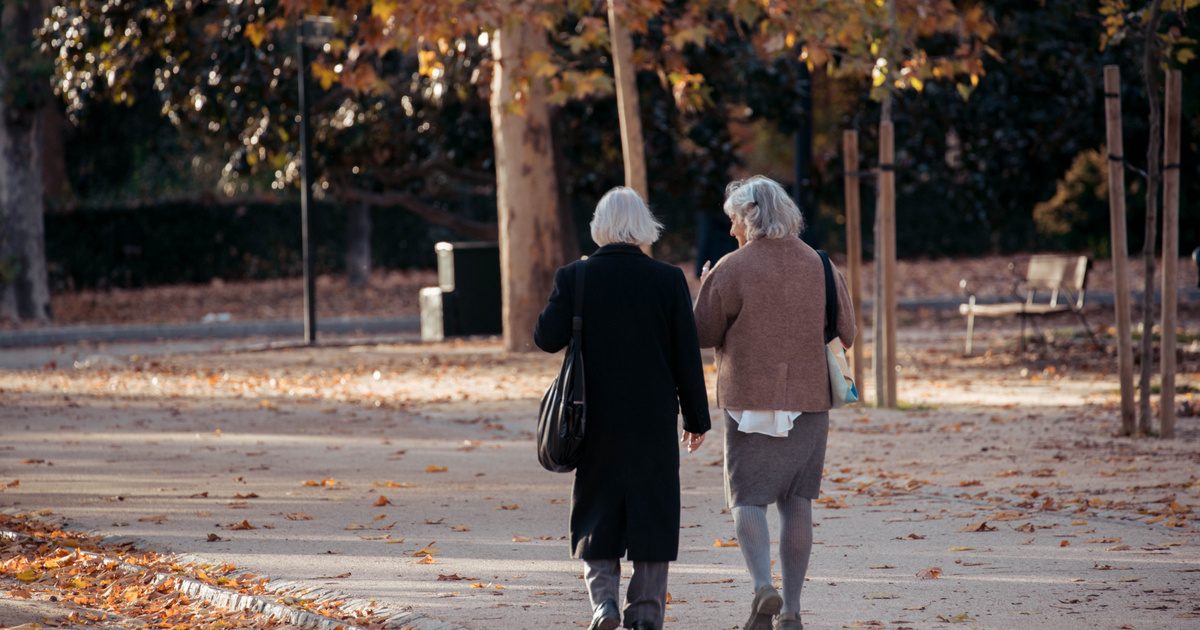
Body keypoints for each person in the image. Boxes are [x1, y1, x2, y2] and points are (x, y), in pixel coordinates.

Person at [534, 186, 711, 630]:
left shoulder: (575, 277)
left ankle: (604, 605)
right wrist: (696, 419)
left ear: (600, 226)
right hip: (652, 416)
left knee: (597, 507)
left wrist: (564, 297)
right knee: (653, 511)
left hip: (592, 415)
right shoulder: (668, 280)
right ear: (643, 227)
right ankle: (647, 614)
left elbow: (545, 338)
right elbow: (685, 357)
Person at [693, 176, 855, 630]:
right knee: (798, 501)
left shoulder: (731, 267)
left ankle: (764, 586)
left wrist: (707, 285)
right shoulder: (820, 264)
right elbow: (849, 332)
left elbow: (702, 334)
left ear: (749, 218)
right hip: (809, 400)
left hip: (748, 400)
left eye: (732, 221)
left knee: (747, 498)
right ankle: (794, 611)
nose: (730, 232)